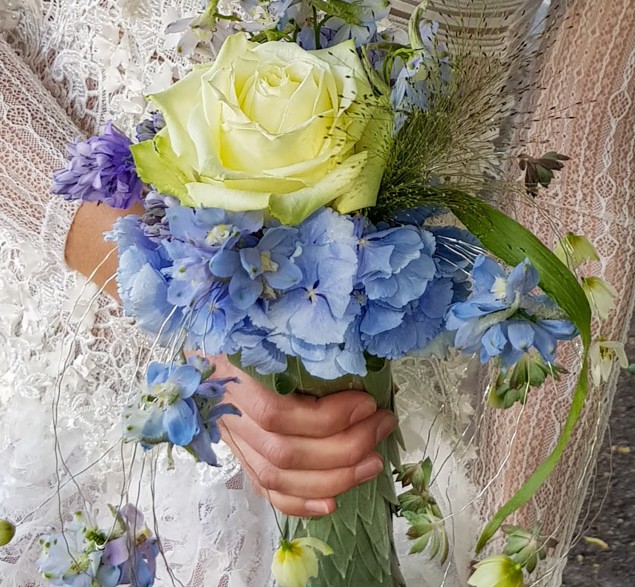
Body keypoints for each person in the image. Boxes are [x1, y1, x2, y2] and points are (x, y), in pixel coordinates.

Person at [0, 1, 632, 586]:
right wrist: (193, 324)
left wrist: (514, 534)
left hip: (421, 334)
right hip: (91, 314)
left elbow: (593, 130)